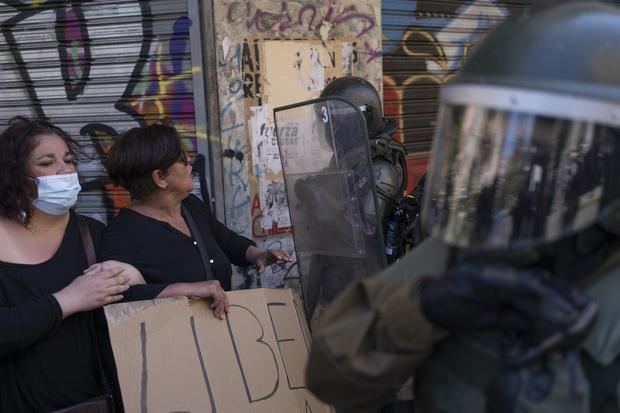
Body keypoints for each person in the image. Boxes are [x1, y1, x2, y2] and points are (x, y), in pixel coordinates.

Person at [305, 2, 620, 413]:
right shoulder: (493, 243)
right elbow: (330, 371)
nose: (512, 167)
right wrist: (422, 306)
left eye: (549, 147)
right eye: (502, 139)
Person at [0, 117, 144, 412]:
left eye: (68, 160)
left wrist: (140, 281)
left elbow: (129, 308)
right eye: (46, 162)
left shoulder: (92, 233)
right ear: (14, 174)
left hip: (92, 404)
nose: (64, 170)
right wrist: (68, 300)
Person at [99, 124, 291, 302]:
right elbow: (116, 296)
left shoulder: (190, 205)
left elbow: (226, 241)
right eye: (182, 159)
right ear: (160, 178)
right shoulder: (122, 234)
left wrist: (258, 255)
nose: (190, 162)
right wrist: (185, 289)